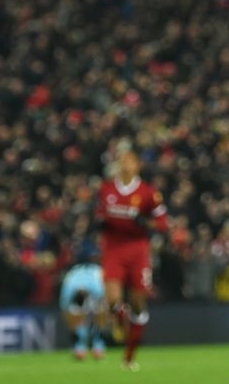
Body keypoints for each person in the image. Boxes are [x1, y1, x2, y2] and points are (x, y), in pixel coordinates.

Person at [95, 149, 169, 370]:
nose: (125, 164)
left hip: (138, 251)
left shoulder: (148, 193)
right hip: (114, 249)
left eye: (130, 161)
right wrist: (99, 222)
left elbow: (163, 224)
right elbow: (100, 214)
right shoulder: (106, 189)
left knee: (138, 303)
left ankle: (129, 356)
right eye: (122, 160)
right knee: (112, 299)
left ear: (138, 166)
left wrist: (146, 224)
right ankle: (120, 318)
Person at [59, 252, 108, 360]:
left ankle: (96, 347)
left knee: (98, 317)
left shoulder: (93, 280)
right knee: (80, 320)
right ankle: (83, 348)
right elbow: (65, 306)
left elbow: (104, 301)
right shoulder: (72, 286)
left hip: (94, 295)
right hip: (78, 295)